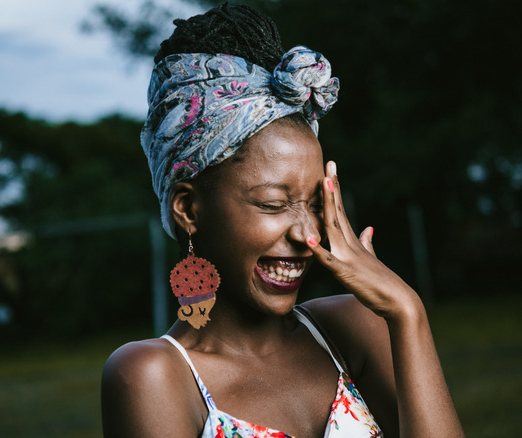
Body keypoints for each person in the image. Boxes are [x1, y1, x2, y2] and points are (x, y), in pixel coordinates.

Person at [101, 4, 464, 437]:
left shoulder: (354, 329)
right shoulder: (152, 375)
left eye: (314, 204)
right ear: (188, 209)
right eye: (274, 204)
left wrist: (408, 313)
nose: (308, 235)